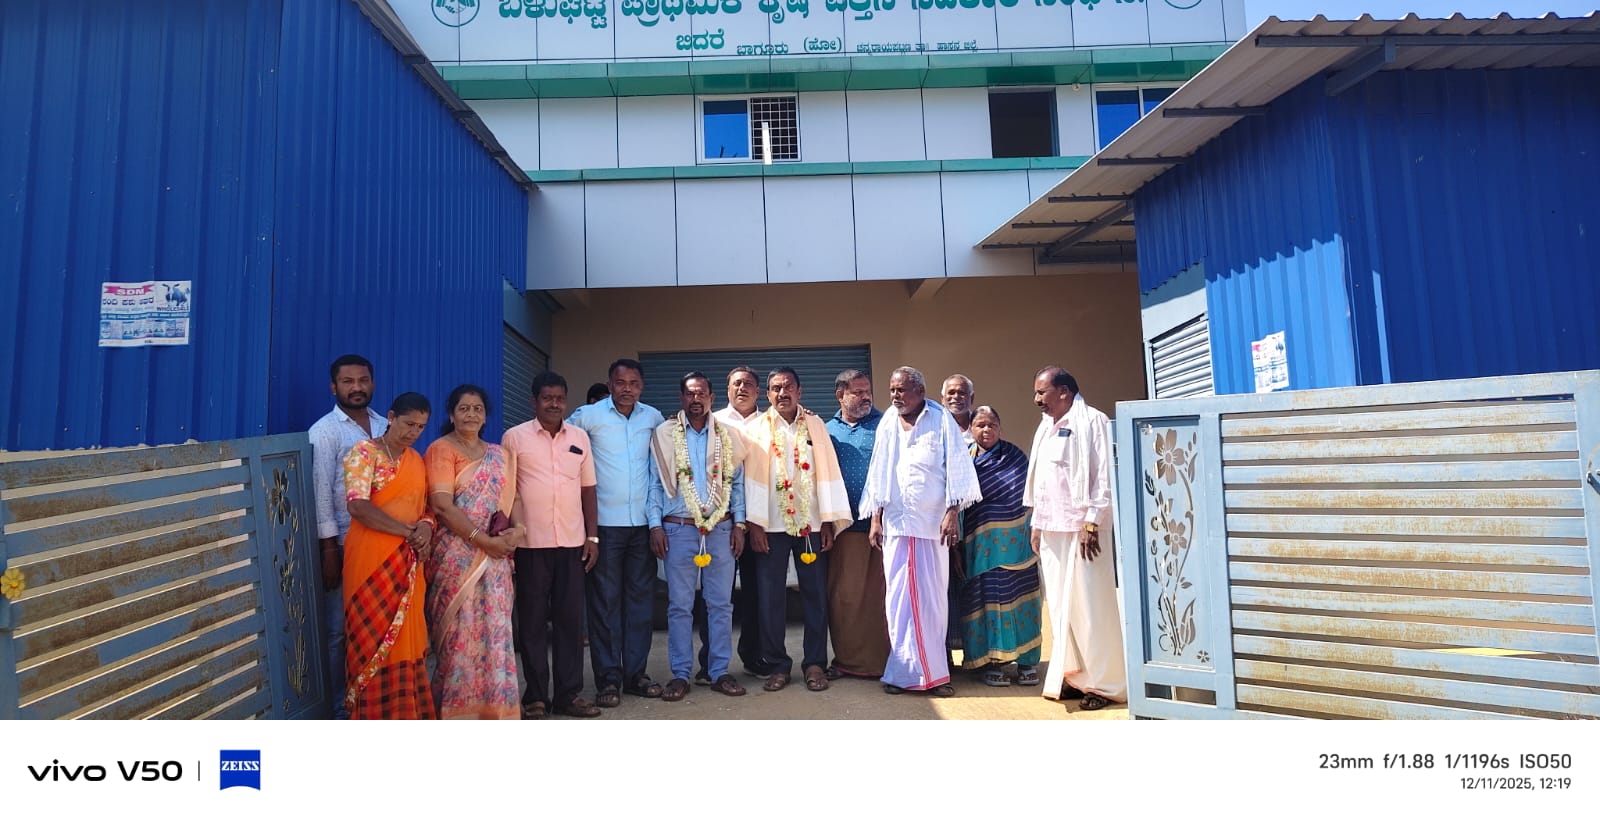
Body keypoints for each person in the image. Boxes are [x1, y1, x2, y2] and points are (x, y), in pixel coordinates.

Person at [859, 367, 982, 697]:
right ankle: (902, 673)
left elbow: (958, 470)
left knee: (932, 601)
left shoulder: (940, 420)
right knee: (897, 601)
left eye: (901, 390)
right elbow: (879, 472)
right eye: (892, 390)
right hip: (897, 525)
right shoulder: (888, 421)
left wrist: (952, 513)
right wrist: (875, 519)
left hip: (931, 526)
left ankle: (935, 675)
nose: (895, 396)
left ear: (920, 391)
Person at [743, 367, 853, 692]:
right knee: (770, 599)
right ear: (767, 394)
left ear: (799, 391)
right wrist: (754, 524)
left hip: (811, 525)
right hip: (770, 526)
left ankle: (815, 662)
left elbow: (828, 471)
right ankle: (777, 664)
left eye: (788, 386)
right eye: (776, 388)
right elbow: (747, 480)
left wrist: (828, 521)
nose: (782, 393)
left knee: (815, 595)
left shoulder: (815, 425)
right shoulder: (755, 428)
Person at [504, 372, 604, 719]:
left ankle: (568, 695)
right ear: (534, 401)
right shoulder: (514, 438)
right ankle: (535, 696)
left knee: (570, 623)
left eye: (559, 398)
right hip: (530, 544)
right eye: (546, 398)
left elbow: (588, 489)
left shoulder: (579, 437)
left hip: (572, 544)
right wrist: (509, 538)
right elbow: (507, 491)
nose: (554, 404)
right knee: (532, 624)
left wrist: (592, 536)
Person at [567, 358, 667, 706]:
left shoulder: (653, 418)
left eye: (634, 383)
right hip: (605, 527)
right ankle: (608, 680)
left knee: (640, 605)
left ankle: (636, 674)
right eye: (621, 383)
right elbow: (562, 449)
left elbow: (661, 468)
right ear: (610, 384)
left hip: (641, 526)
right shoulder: (587, 417)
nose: (627, 389)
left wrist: (657, 522)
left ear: (642, 386)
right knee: (605, 605)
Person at [1026, 366, 1125, 711]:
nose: (1037, 399)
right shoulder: (1046, 426)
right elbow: (1042, 481)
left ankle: (1104, 685)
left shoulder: (1093, 421)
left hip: (1084, 531)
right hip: (1052, 529)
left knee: (1091, 608)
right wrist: (1037, 524)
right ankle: (1074, 677)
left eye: (1042, 392)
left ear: (1064, 391)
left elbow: (1103, 478)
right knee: (1060, 608)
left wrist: (1092, 522)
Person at [424, 385, 525, 720]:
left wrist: (518, 530)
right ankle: (457, 714)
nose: (471, 414)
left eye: (477, 409)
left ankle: (496, 710)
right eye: (464, 408)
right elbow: (442, 506)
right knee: (459, 634)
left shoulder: (501, 455)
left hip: (495, 560)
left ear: (485, 416)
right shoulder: (441, 450)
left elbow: (514, 499)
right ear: (452, 415)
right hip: (456, 558)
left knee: (496, 633)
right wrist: (483, 540)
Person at [647, 372, 750, 701]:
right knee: (679, 606)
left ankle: (719, 672)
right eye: (690, 394)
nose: (696, 399)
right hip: (678, 529)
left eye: (702, 393)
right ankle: (680, 674)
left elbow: (737, 484)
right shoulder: (665, 434)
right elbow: (654, 484)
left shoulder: (727, 435)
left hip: (721, 529)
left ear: (711, 398)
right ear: (681, 398)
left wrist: (740, 525)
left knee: (721, 605)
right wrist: (655, 525)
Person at [341, 392, 437, 719]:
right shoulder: (363, 453)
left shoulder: (416, 461)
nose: (414, 432)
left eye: (421, 427)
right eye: (409, 424)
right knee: (370, 640)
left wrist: (425, 528)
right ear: (391, 417)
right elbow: (358, 506)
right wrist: (408, 532)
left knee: (409, 639)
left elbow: (426, 510)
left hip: (409, 564)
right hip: (370, 562)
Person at [309, 354, 385, 719]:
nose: (357, 388)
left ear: (372, 383)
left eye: (363, 380)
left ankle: (374, 701)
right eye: (348, 381)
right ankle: (339, 707)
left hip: (384, 543)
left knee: (378, 624)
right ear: (333, 387)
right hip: (343, 544)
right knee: (338, 631)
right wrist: (328, 549)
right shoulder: (325, 431)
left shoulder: (386, 425)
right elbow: (321, 491)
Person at [960, 406, 1043, 687]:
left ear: (1000, 427)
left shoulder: (1015, 457)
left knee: (1022, 600)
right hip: (980, 548)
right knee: (987, 600)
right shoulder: (964, 460)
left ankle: (1027, 662)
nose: (987, 430)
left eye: (992, 424)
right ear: (971, 429)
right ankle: (992, 662)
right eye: (980, 425)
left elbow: (1028, 495)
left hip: (1017, 547)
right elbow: (957, 501)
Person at [822, 368, 889, 679]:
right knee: (844, 597)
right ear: (840, 395)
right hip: (844, 528)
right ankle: (847, 662)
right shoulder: (826, 430)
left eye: (868, 391)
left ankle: (884, 663)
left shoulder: (886, 425)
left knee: (881, 597)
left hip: (884, 526)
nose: (866, 397)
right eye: (858, 392)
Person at [711, 365, 764, 679]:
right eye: (736, 384)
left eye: (748, 384)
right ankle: (711, 663)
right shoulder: (713, 420)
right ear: (727, 389)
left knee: (756, 592)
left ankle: (753, 656)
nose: (742, 389)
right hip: (720, 520)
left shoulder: (770, 422)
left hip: (760, 520)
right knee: (717, 595)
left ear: (758, 391)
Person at [941, 374, 976, 445]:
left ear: (971, 398)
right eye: (951, 393)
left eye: (961, 393)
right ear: (942, 399)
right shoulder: (934, 424)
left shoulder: (980, 425)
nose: (956, 396)